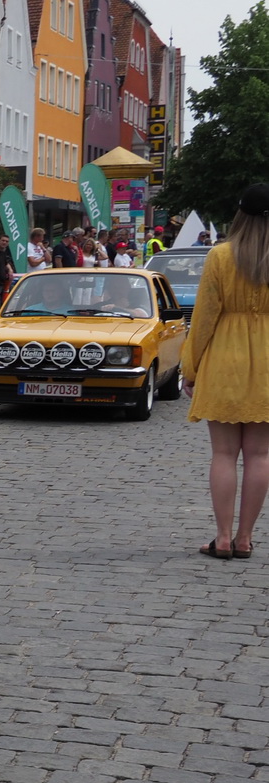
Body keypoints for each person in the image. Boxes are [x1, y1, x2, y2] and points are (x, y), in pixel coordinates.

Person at [184, 185, 269, 560]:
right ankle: (245, 538)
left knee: (223, 453)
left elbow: (203, 318)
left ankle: (221, 538)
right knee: (260, 455)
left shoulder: (220, 257)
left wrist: (191, 367)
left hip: (224, 358)